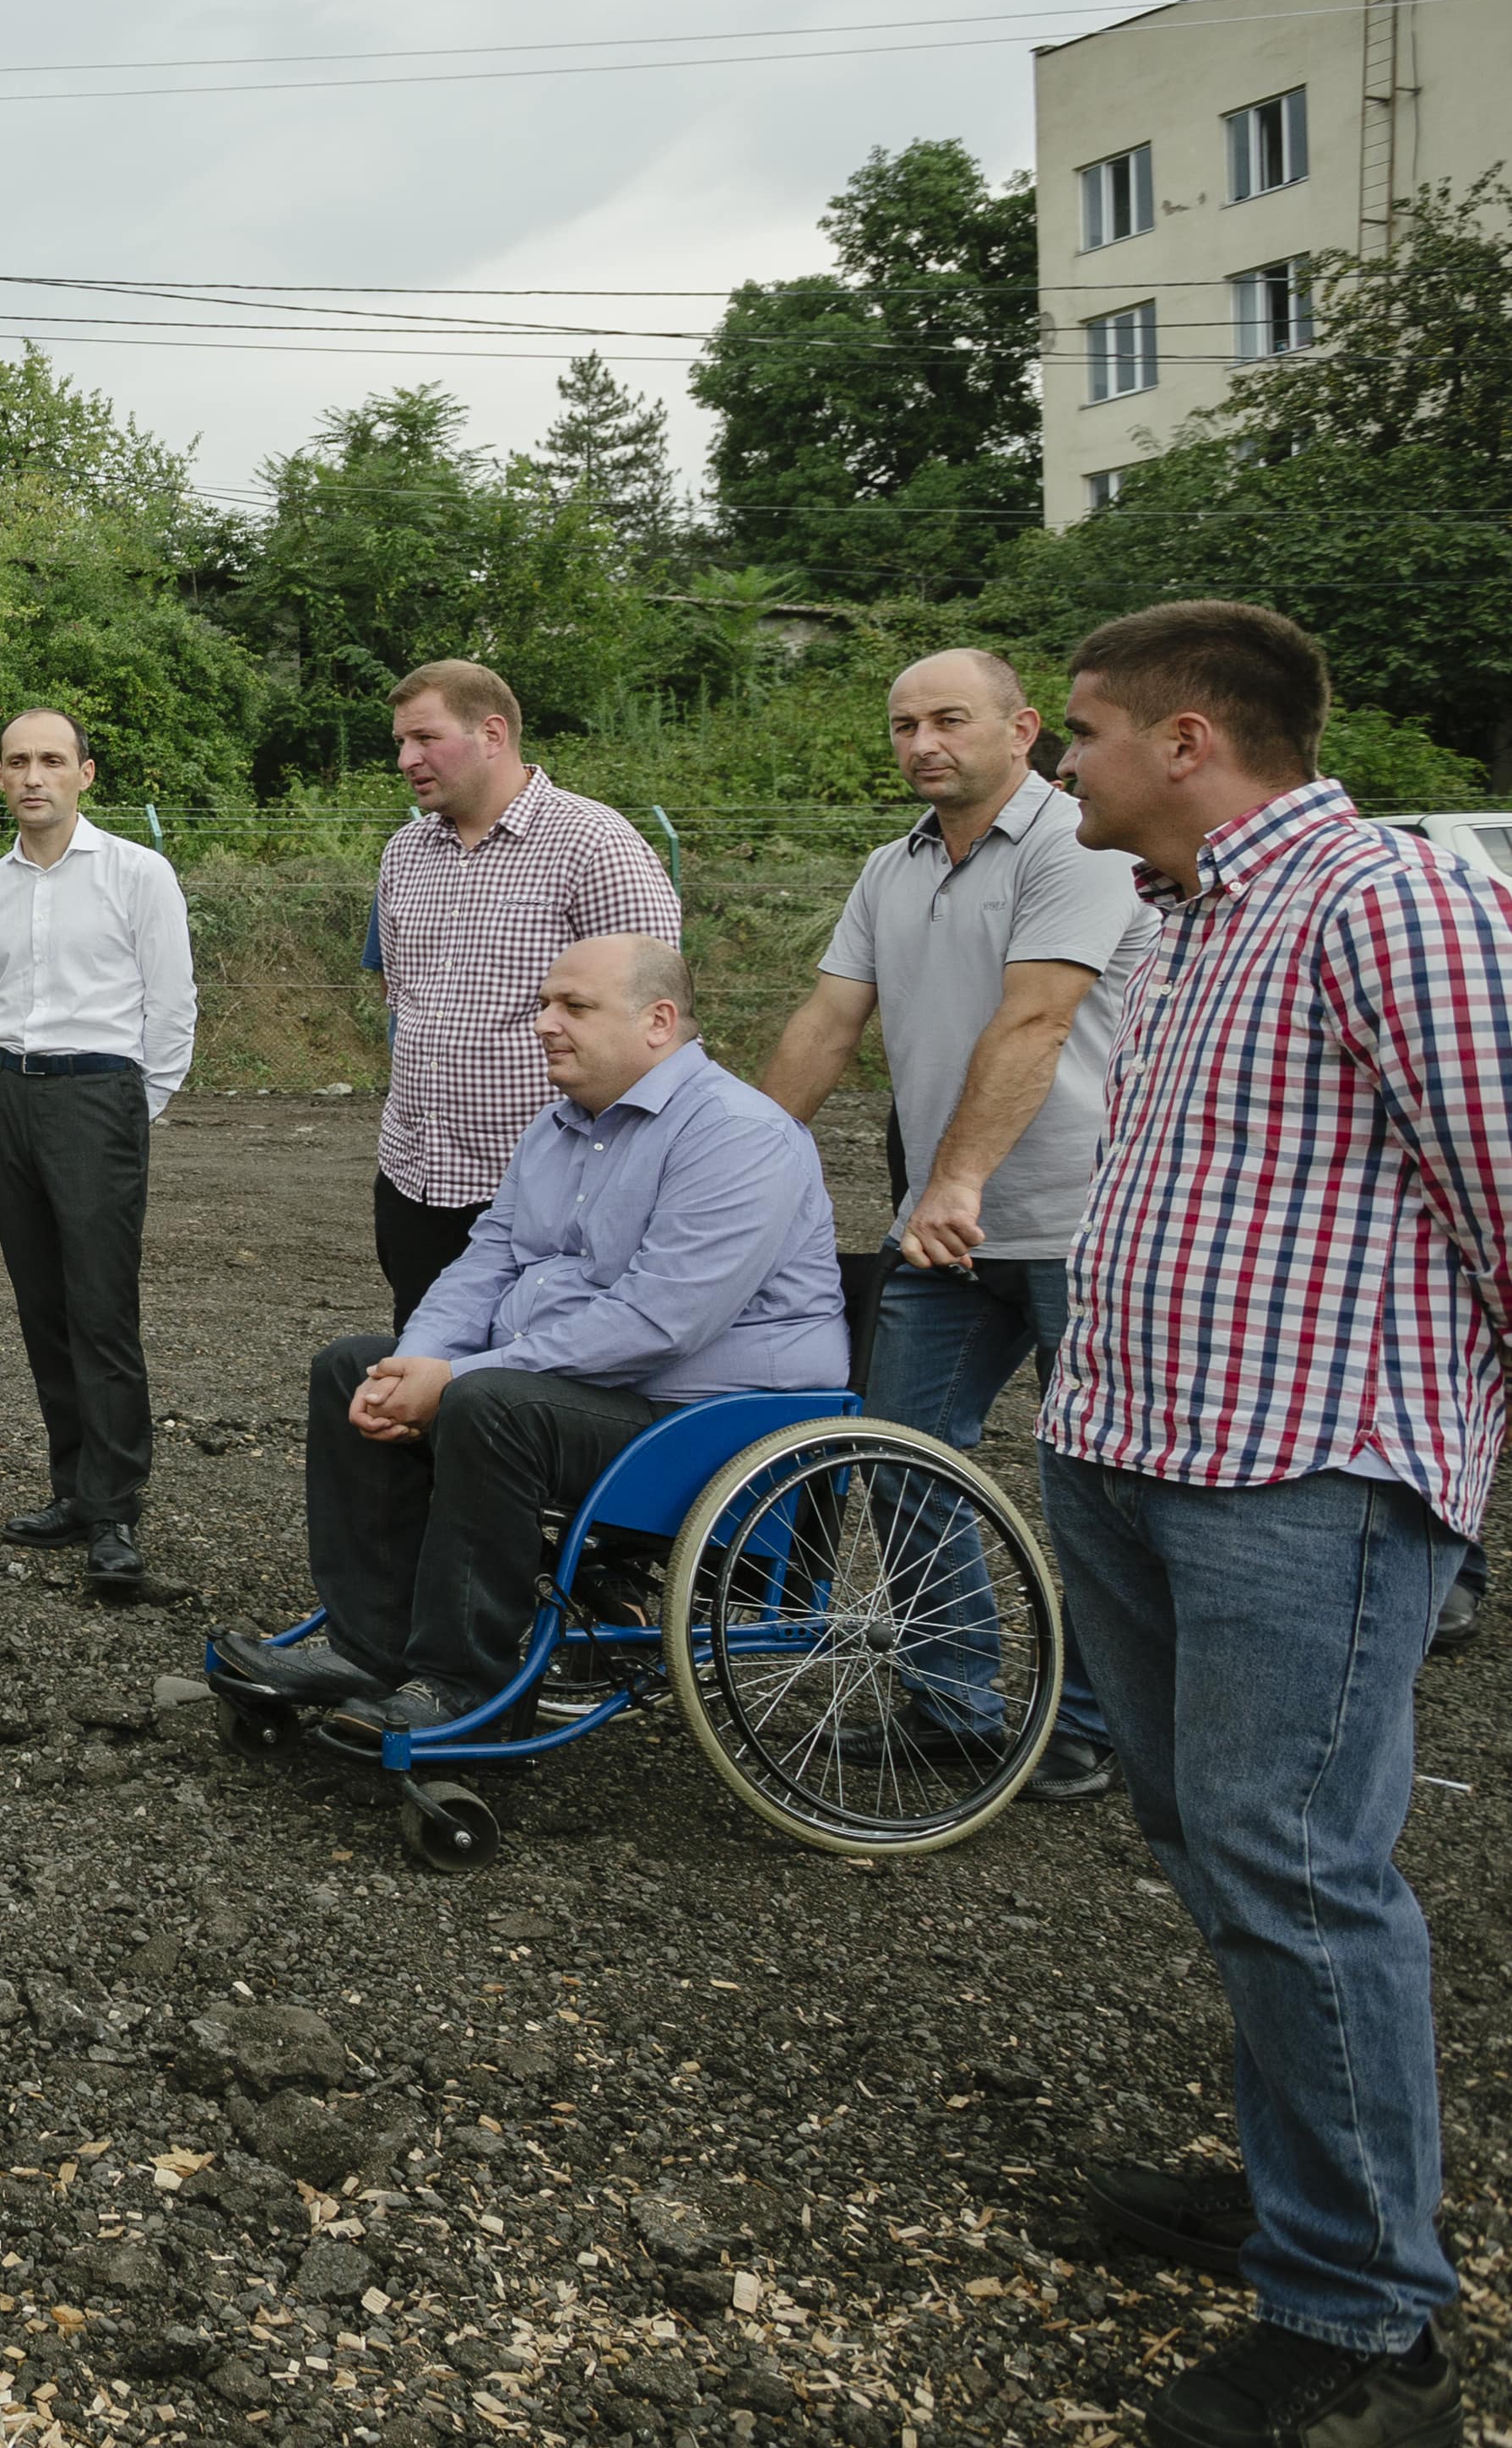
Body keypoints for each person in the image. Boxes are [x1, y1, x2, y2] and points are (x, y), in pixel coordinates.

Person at [1034, 601, 1494, 2448]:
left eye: (1079, 731)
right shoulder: (1186, 918)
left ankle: (1365, 2316)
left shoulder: (1386, 902)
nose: (1060, 761)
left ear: (1189, 741)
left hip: (1306, 1479)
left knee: (1298, 1869)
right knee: (1221, 1844)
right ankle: (1310, 2178)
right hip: (1142, 1453)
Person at [217, 936, 846, 1738]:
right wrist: (417, 1362)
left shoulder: (738, 1134)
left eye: (573, 1006)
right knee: (353, 1368)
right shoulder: (558, 1126)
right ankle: (370, 1653)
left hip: (712, 1422)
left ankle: (466, 1693)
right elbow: (488, 1259)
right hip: (588, 1394)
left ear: (657, 1022)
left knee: (489, 1404)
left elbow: (661, 1321)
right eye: (544, 1005)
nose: (544, 1023)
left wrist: (458, 1379)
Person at [758, 649, 1159, 1803]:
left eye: (948, 719)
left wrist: (956, 1177)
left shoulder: (1081, 845)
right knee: (897, 1453)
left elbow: (1037, 1019)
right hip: (947, 1226)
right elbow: (827, 1022)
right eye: (903, 725)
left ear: (1022, 728)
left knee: (1100, 1489)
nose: (922, 743)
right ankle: (954, 1705)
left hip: (1085, 1223)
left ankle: (1090, 1725)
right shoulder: (891, 868)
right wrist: (733, 1161)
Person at [0, 707, 196, 1600]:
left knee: (100, 1307)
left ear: (84, 774)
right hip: (12, 1092)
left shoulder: (137, 873)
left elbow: (171, 1003)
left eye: (52, 760)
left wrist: (135, 1107)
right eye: (17, 761)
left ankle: (114, 1512)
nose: (34, 777)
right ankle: (72, 1488)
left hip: (100, 1095)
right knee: (43, 1305)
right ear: (0, 775)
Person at [370, 660, 684, 1327]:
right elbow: (402, 1000)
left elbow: (653, 1030)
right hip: (413, 1181)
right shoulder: (405, 853)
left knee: (527, 1373)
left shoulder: (595, 846)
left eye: (425, 738)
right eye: (400, 742)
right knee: (421, 1362)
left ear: (492, 734)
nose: (406, 759)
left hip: (549, 1193)